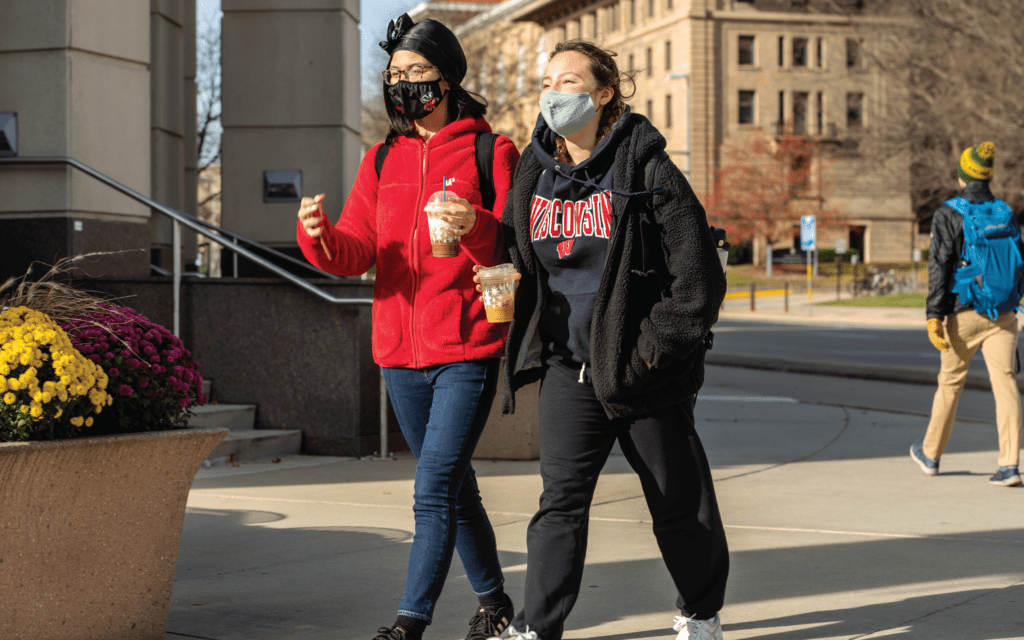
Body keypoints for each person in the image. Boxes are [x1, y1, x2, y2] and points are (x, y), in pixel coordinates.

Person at [480, 40, 729, 640]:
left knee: (677, 503)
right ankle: (535, 628)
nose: (553, 93)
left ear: (604, 93)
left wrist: (648, 353)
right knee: (559, 505)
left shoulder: (645, 169)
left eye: (569, 81)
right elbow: (516, 252)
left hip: (644, 372)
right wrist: (509, 281)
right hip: (571, 370)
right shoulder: (533, 173)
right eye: (547, 81)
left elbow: (698, 279)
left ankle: (700, 615)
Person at [296, 14, 521, 640]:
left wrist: (472, 223)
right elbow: (355, 251)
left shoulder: (491, 150)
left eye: (415, 72)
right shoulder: (380, 158)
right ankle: (495, 602)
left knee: (432, 488)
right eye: (395, 74)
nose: (403, 84)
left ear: (447, 78)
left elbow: (514, 246)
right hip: (398, 351)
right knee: (455, 484)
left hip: (466, 346)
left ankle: (408, 622)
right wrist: (316, 238)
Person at [912, 141, 1023, 487]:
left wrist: (935, 315)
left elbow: (940, 265)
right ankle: (1009, 465)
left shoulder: (949, 213)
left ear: (962, 176)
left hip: (965, 314)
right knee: (1006, 385)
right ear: (987, 177)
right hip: (1004, 315)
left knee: (950, 384)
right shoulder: (1004, 211)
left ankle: (930, 454)